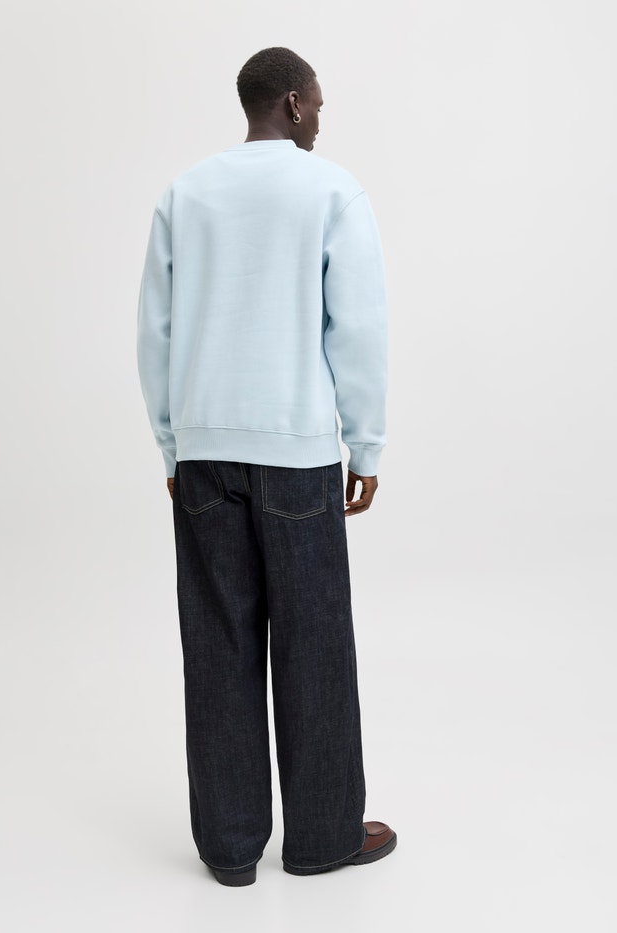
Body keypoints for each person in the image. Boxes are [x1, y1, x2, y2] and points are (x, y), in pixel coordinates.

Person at [137, 46, 395, 886]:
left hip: (205, 455)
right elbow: (357, 326)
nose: (320, 117)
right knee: (314, 643)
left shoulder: (185, 193)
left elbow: (155, 333)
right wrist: (366, 444)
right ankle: (323, 836)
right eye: (316, 102)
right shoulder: (330, 191)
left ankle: (230, 847)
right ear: (290, 102)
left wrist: (173, 442)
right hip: (296, 454)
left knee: (217, 644)